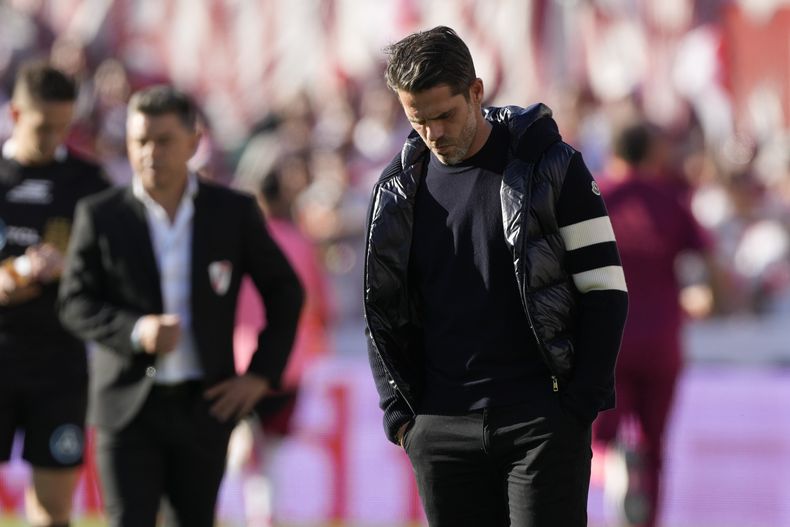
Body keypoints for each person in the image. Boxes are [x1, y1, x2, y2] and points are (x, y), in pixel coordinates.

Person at [362, 26, 629, 526]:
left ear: (477, 92)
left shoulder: (554, 167)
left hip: (540, 424)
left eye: (446, 115)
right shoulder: (396, 190)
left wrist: (577, 407)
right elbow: (382, 306)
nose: (434, 132)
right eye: (419, 121)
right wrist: (402, 418)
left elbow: (606, 292)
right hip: (440, 429)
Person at [58, 85, 304, 527]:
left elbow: (287, 291)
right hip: (126, 408)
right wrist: (135, 331)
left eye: (164, 140)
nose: (151, 152)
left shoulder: (233, 212)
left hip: (205, 405)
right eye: (140, 141)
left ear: (193, 142)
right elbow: (73, 302)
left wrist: (261, 376)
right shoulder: (100, 214)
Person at [0, 60, 109, 527]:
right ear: (17, 115)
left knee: (54, 510)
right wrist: (19, 272)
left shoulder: (90, 185)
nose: (54, 138)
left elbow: (114, 276)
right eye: (45, 127)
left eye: (64, 127)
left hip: (60, 367)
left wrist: (73, 270)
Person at [594, 121, 716, 527]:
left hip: (608, 339)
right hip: (662, 338)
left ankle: (614, 470)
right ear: (650, 153)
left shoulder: (594, 198)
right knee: (654, 446)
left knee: (596, 440)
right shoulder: (670, 200)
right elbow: (707, 266)